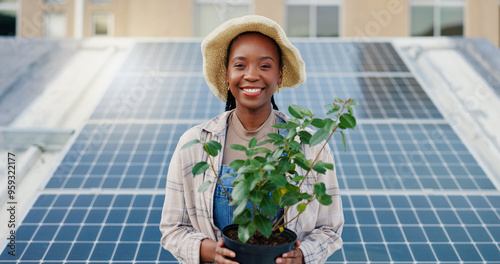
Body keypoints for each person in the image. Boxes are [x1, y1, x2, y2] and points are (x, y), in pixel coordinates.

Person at [160, 15, 343, 264]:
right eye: (240, 65)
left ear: (279, 76)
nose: (252, 75)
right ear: (226, 75)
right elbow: (173, 229)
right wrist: (211, 251)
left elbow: (330, 230)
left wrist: (301, 256)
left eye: (265, 66)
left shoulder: (310, 145)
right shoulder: (195, 143)